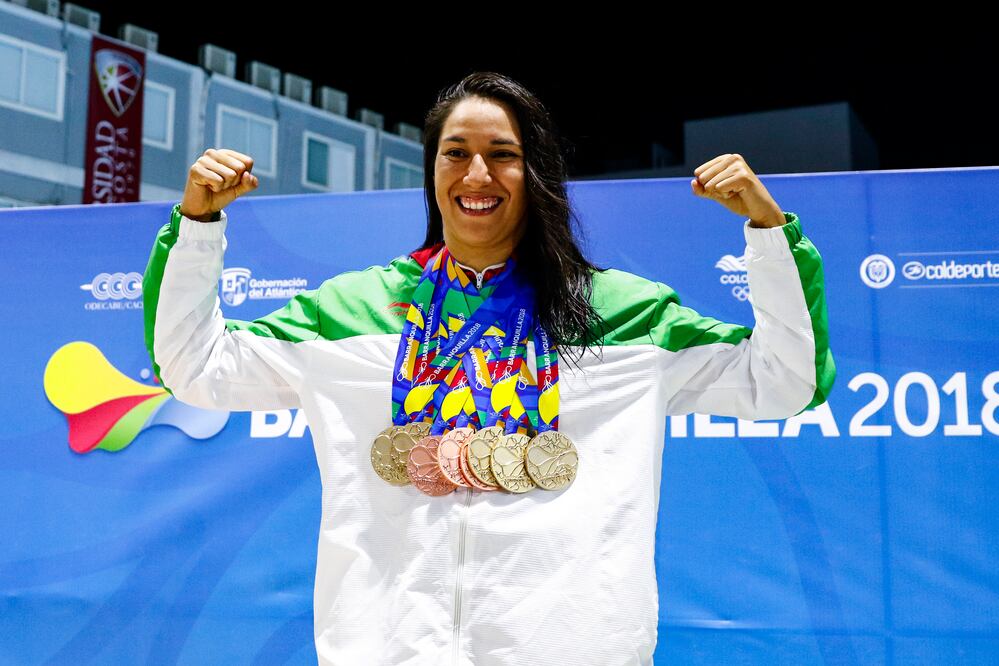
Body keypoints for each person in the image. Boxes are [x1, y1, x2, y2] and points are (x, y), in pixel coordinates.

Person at [142, 71, 835, 665]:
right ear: (432, 170)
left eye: (502, 154)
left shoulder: (625, 314)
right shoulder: (351, 310)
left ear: (535, 171)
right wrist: (199, 224)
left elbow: (785, 379)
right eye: (456, 153)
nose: (477, 175)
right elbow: (194, 366)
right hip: (387, 645)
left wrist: (767, 230)